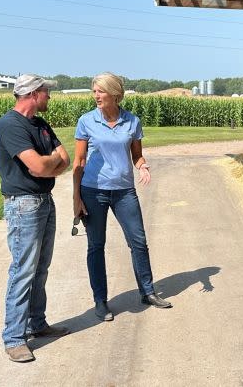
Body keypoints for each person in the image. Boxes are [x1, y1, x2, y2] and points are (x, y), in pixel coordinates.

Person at [73, 72, 171, 321]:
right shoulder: (86, 121)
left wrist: (143, 166)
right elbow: (79, 161)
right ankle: (100, 301)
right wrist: (76, 197)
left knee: (138, 242)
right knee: (96, 245)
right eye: (94, 91)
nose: (96, 96)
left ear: (115, 94)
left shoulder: (132, 121)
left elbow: (137, 155)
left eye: (101, 91)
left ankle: (148, 291)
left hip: (124, 191)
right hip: (93, 191)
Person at [0, 74, 71, 362]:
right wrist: (50, 162)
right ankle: (14, 337)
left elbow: (64, 158)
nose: (49, 96)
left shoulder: (39, 124)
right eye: (45, 92)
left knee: (41, 268)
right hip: (24, 205)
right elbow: (40, 166)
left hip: (44, 202)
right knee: (23, 271)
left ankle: (37, 324)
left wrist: (50, 163)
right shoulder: (9, 126)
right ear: (32, 94)